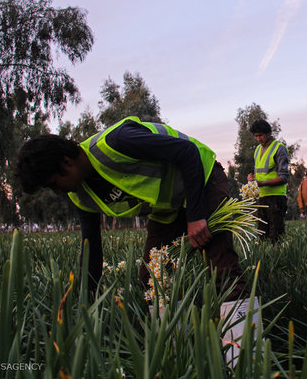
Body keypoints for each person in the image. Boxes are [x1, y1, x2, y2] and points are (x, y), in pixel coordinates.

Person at [16, 116, 247, 302]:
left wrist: (196, 216)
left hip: (203, 179)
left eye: (54, 184)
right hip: (169, 207)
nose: (57, 192)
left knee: (220, 263)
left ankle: (243, 348)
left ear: (67, 162)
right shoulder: (80, 195)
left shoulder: (117, 142)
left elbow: (188, 153)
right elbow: (91, 248)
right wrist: (87, 298)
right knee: (152, 278)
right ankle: (175, 345)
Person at [247, 119, 289, 244]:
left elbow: (284, 177)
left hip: (276, 198)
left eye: (260, 135)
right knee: (262, 235)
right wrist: (252, 178)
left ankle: (280, 261)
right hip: (262, 197)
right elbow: (261, 173)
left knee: (276, 235)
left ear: (268, 133)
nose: (258, 138)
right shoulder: (257, 150)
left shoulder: (279, 148)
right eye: (256, 136)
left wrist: (262, 183)